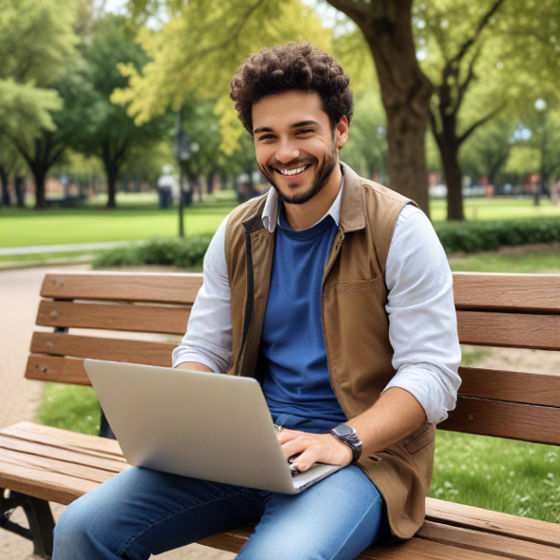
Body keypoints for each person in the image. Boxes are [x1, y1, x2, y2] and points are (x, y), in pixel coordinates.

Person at [53, 43, 461, 560]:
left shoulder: (399, 228)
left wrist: (343, 440)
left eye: (303, 131)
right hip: (244, 450)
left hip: (360, 460)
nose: (285, 153)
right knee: (82, 529)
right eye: (267, 137)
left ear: (340, 129)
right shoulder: (238, 232)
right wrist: (190, 409)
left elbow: (431, 372)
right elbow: (204, 345)